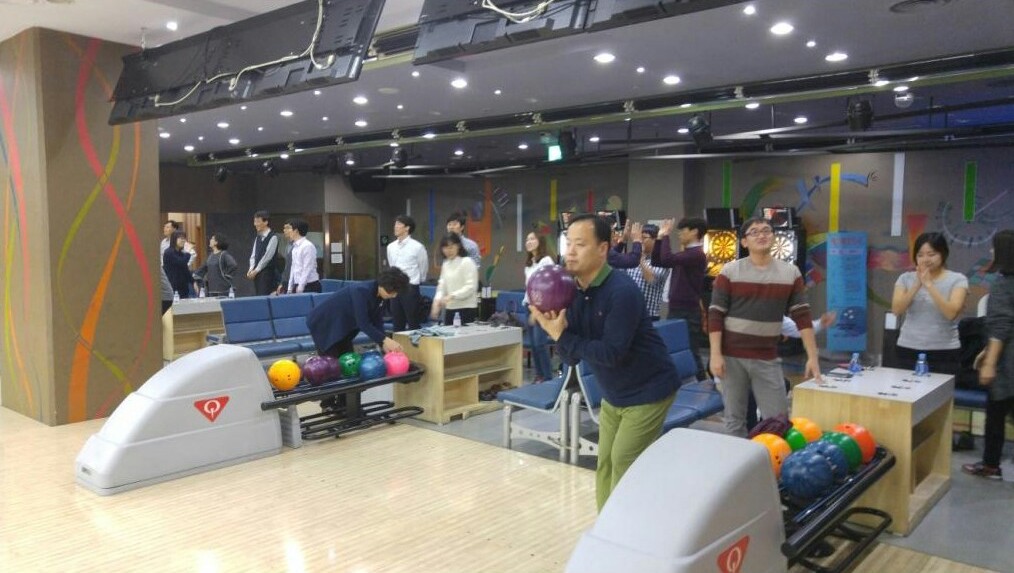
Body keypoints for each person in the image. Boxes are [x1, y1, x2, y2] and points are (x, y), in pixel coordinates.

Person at [530, 214, 678, 511]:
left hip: (648, 390)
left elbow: (612, 353)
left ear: (602, 249)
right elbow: (572, 356)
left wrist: (562, 336)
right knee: (606, 462)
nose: (570, 251)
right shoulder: (572, 292)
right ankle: (605, 526)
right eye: (568, 243)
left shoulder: (621, 291)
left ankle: (627, 528)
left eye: (580, 244)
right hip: (615, 393)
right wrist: (555, 329)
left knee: (624, 461)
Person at [708, 217, 821, 438]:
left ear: (774, 237)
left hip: (766, 357)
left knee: (778, 421)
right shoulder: (730, 271)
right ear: (744, 242)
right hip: (731, 357)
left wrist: (813, 356)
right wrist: (715, 354)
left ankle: (771, 459)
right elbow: (715, 314)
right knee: (734, 420)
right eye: (754, 232)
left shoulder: (790, 273)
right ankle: (738, 460)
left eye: (766, 230)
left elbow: (802, 316)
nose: (761, 235)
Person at [963, 229, 1014, 480]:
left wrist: (990, 362)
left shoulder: (1004, 284)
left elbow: (1001, 327)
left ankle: (991, 465)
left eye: (995, 247)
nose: (991, 251)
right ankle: (990, 464)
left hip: (1008, 366)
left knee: (995, 413)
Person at [891, 232, 968, 375]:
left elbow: (951, 313)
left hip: (944, 350)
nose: (925, 259)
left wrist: (929, 284)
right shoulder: (905, 278)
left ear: (943, 254)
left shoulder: (957, 279)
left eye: (931, 254)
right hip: (908, 347)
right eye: (920, 255)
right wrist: (916, 285)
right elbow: (896, 310)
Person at [306, 267, 409, 359]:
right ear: (382, 285)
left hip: (344, 326)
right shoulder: (361, 291)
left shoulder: (381, 295)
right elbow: (363, 323)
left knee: (349, 361)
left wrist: (382, 343)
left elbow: (377, 320)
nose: (394, 296)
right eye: (391, 292)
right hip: (324, 324)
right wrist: (385, 339)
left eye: (396, 293)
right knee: (332, 365)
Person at [652, 217, 708, 379]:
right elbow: (658, 261)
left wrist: (666, 235)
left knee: (691, 349)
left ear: (694, 232)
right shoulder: (686, 254)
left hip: (688, 310)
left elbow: (667, 258)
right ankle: (679, 380)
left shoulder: (697, 254)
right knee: (673, 347)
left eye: (683, 231)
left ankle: (702, 382)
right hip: (677, 308)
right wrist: (659, 239)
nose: (679, 234)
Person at [386, 214, 428, 331]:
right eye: (395, 224)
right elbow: (392, 265)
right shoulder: (390, 247)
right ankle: (397, 344)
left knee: (413, 322)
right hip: (395, 287)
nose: (395, 226)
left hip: (410, 287)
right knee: (397, 322)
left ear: (407, 228)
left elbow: (423, 267)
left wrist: (417, 281)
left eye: (399, 224)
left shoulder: (417, 247)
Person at [524, 231, 557, 382]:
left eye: (532, 238)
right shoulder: (529, 264)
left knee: (540, 343)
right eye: (527, 239)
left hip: (541, 308)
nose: (529, 241)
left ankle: (548, 377)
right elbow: (529, 288)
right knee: (533, 344)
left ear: (540, 241)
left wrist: (536, 309)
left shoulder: (546, 261)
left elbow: (547, 287)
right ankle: (539, 375)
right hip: (528, 305)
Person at [430, 234, 478, 325]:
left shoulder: (467, 262)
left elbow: (471, 287)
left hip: (466, 309)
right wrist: (437, 301)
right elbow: (442, 285)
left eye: (451, 247)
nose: (448, 251)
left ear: (458, 246)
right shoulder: (446, 264)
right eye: (445, 248)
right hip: (450, 309)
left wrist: (452, 296)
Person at [626, 223, 670, 321]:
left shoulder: (661, 261)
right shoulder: (632, 257)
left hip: (648, 315)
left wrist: (640, 258)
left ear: (655, 240)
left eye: (644, 238)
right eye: (639, 238)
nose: (640, 241)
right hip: (629, 313)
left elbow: (651, 279)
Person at [192, 233, 238, 297]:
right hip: (211, 289)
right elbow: (202, 268)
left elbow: (233, 265)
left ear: (216, 242)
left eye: (212, 239)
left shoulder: (224, 254)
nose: (210, 240)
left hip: (224, 290)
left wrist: (226, 276)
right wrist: (194, 279)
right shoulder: (210, 256)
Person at [284, 218, 321, 293]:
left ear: (296, 231)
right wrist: (290, 287)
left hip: (309, 285)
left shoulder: (307, 246)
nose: (286, 231)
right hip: (297, 284)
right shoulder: (295, 247)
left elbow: (307, 268)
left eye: (289, 228)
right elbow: (293, 267)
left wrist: (301, 287)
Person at [247, 210, 279, 295]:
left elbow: (267, 257)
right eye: (254, 221)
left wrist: (256, 270)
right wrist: (251, 269)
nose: (255, 224)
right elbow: (253, 255)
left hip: (267, 274)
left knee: (264, 295)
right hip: (257, 274)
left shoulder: (273, 237)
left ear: (266, 222)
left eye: (258, 221)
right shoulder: (258, 237)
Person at [162, 230, 194, 299]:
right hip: (172, 287)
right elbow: (181, 262)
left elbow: (185, 269)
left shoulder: (181, 253)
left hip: (183, 287)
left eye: (184, 238)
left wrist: (193, 282)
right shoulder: (168, 252)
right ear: (174, 239)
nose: (183, 241)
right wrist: (188, 252)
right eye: (181, 238)